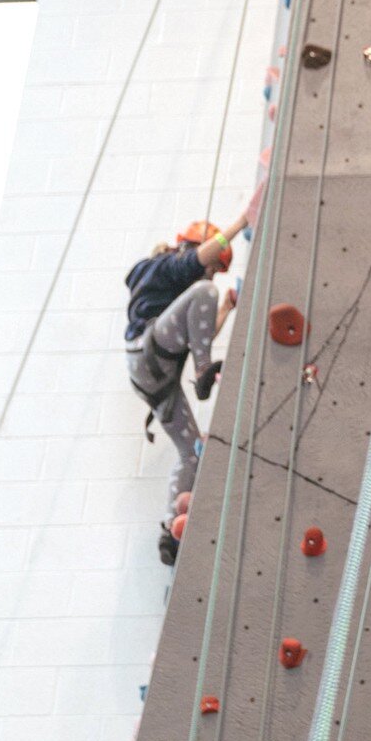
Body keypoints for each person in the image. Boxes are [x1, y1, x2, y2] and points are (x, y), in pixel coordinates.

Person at [123, 211, 245, 565]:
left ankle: (170, 532)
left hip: (154, 378)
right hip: (148, 353)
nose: (209, 273)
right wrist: (241, 224)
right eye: (211, 265)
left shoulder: (172, 287)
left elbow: (195, 333)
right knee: (203, 291)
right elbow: (194, 266)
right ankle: (204, 369)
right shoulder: (161, 266)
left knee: (193, 451)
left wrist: (225, 308)